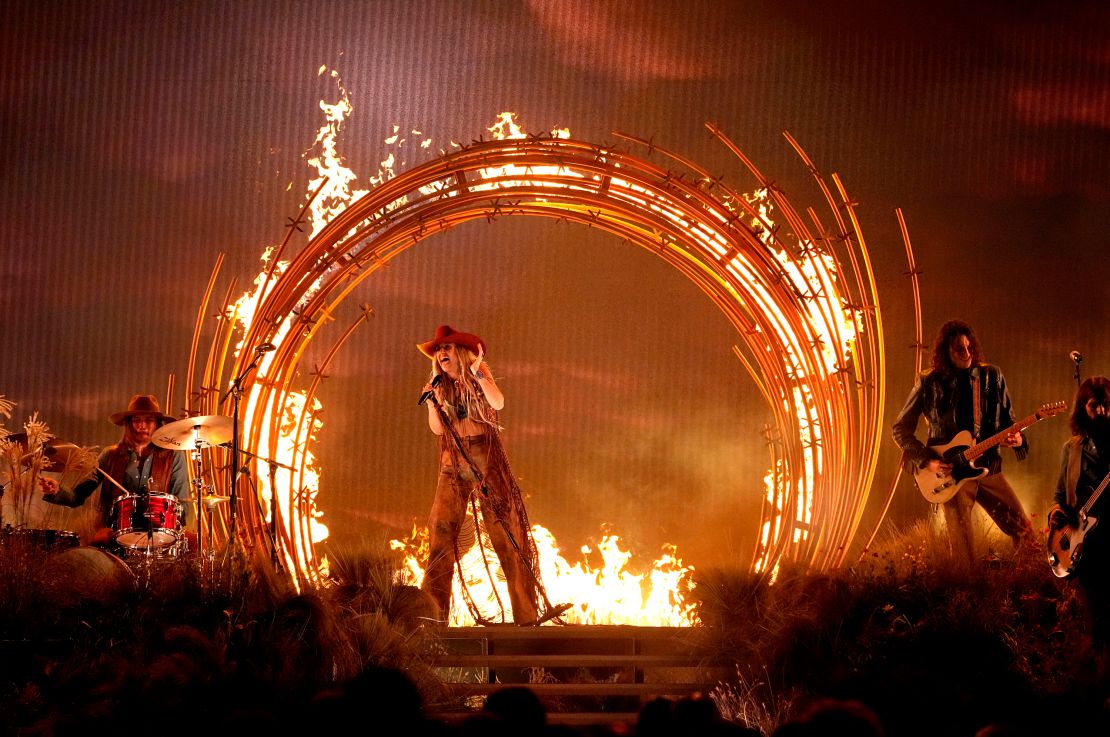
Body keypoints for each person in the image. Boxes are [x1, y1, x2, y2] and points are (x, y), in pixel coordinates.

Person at [417, 325, 543, 625]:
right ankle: (434, 617)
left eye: (447, 348)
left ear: (460, 352)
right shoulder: (437, 385)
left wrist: (477, 373)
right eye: (438, 351)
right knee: (441, 531)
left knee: (506, 533)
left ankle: (525, 617)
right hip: (452, 458)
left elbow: (498, 403)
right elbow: (437, 429)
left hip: (485, 456)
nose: (441, 354)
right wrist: (432, 403)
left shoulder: (478, 376)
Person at [892, 320, 1032, 564]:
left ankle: (1021, 583)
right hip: (950, 473)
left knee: (1025, 532)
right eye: (959, 349)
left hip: (987, 466)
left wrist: (1017, 438)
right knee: (963, 553)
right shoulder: (928, 382)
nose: (967, 354)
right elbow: (900, 429)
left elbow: (1010, 422)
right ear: (946, 352)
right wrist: (928, 461)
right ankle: (967, 597)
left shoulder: (991, 376)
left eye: (969, 348)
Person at [40, 394, 190, 551]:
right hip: (113, 540)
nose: (142, 425)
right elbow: (77, 496)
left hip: (160, 542)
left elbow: (183, 505)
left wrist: (169, 528)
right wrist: (57, 490)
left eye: (148, 420)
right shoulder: (109, 455)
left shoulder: (173, 456)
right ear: (128, 424)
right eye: (136, 420)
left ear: (158, 424)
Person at [1049, 376, 1110, 681]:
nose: (1101, 411)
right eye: (1094, 405)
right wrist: (1056, 515)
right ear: (1082, 408)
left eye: (1106, 405)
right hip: (1084, 550)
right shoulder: (1071, 449)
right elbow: (1059, 498)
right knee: (1094, 624)